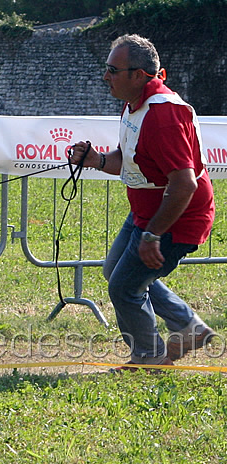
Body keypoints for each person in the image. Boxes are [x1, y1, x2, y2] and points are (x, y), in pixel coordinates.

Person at [69, 34, 216, 371]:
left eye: (112, 70)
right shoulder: (136, 103)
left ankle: (149, 359)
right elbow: (132, 159)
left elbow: (184, 184)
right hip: (146, 212)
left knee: (124, 288)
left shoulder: (163, 115)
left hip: (175, 218)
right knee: (117, 274)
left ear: (138, 75)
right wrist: (96, 159)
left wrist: (152, 235)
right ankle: (189, 328)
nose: (105, 76)